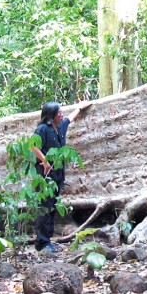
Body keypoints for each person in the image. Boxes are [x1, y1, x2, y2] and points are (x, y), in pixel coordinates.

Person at [31, 99, 92, 252]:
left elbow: (70, 119)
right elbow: (32, 145)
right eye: (59, 112)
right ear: (51, 115)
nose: (61, 114)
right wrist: (44, 161)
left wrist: (79, 108)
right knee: (44, 207)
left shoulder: (60, 127)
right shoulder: (43, 129)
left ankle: (47, 240)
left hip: (58, 173)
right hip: (45, 175)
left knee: (52, 206)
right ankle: (42, 242)